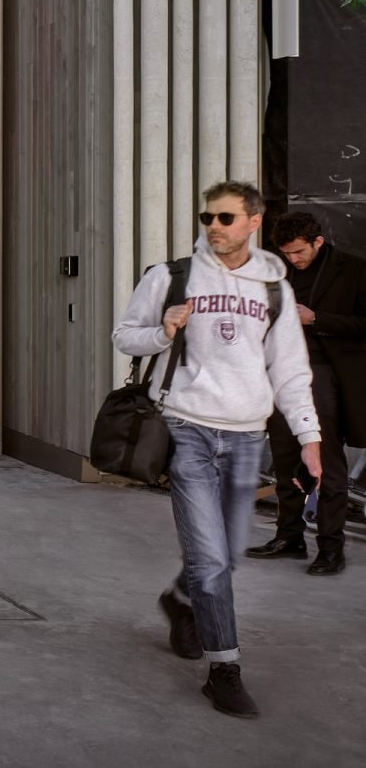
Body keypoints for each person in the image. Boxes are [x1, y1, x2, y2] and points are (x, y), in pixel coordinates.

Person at [113, 178, 322, 721]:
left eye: (225, 218)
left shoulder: (274, 287)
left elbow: (291, 371)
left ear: (254, 222)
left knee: (225, 554)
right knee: (210, 560)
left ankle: (181, 603)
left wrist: (309, 437)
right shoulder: (172, 276)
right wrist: (161, 332)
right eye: (208, 218)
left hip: (248, 436)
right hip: (189, 431)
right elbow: (124, 336)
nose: (213, 227)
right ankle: (224, 669)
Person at [246, 208, 366, 575]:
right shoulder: (274, 272)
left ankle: (331, 548)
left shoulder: (355, 270)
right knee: (284, 457)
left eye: (299, 251)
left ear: (318, 241)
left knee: (325, 461)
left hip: (325, 375)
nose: (293, 259)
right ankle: (289, 536)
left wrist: (317, 319)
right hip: (279, 373)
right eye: (287, 253)